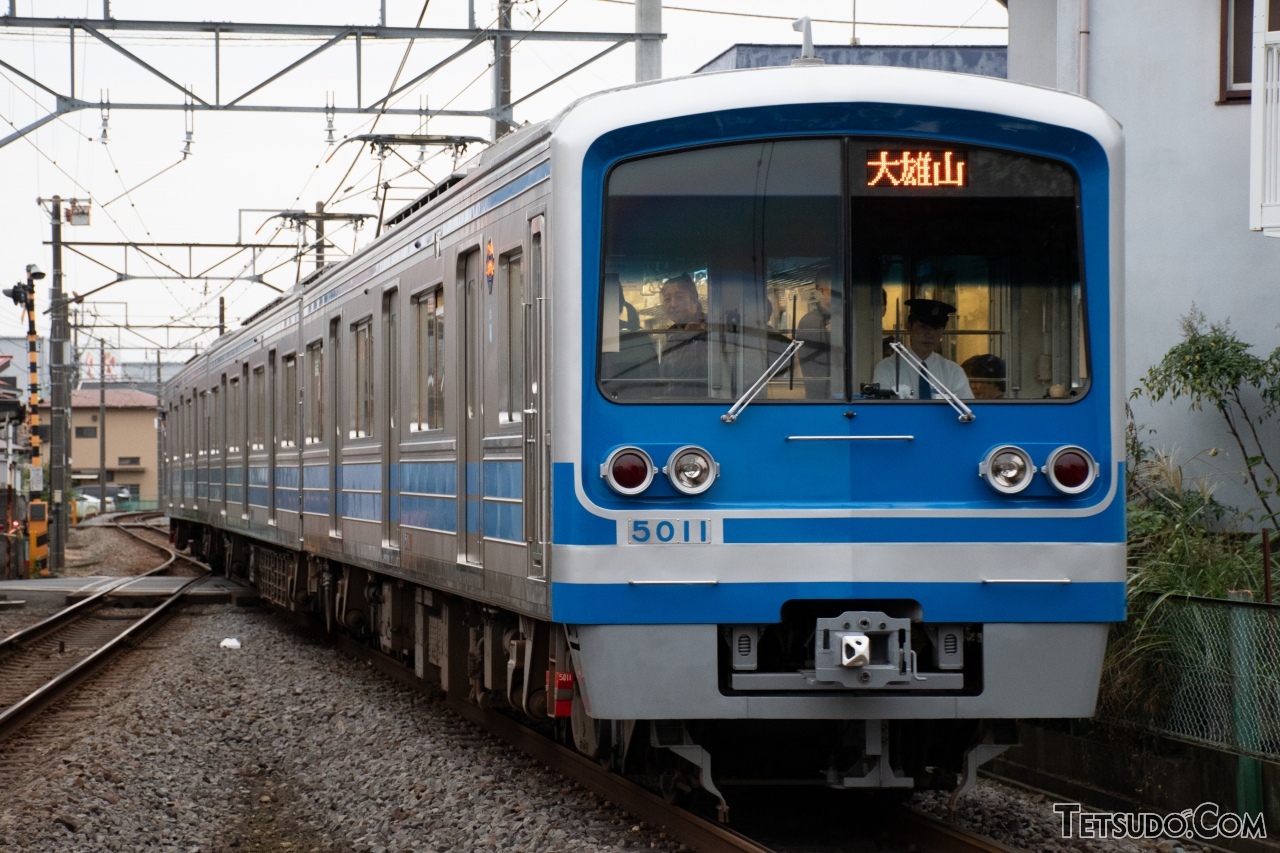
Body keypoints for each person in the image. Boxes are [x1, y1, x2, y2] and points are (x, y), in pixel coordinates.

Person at [872, 298, 973, 399]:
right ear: (909, 327)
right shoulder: (888, 369)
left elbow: (967, 409)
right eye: (923, 327)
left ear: (942, 331)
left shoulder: (953, 372)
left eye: (936, 328)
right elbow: (881, 410)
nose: (930, 334)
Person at [657, 274, 708, 396]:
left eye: (679, 297)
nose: (673, 304)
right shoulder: (672, 334)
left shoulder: (706, 330)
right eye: (667, 299)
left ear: (694, 302)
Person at [795, 270, 833, 399]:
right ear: (822, 292)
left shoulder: (847, 319)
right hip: (820, 396)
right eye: (837, 292)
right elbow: (816, 364)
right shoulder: (809, 323)